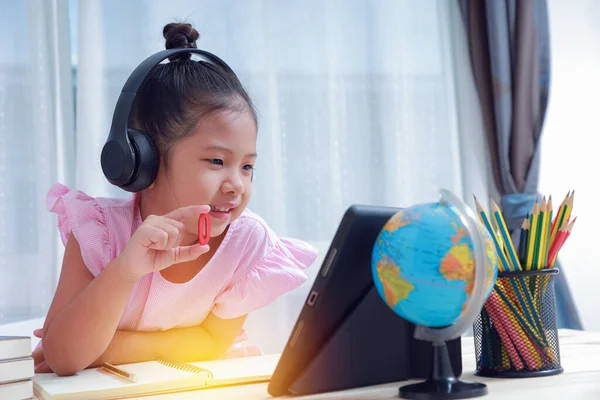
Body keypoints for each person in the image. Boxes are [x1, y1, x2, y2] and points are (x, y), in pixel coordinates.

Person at [32, 22, 318, 376]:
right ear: (143, 158)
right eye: (217, 161)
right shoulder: (100, 232)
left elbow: (215, 343)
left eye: (247, 167)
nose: (236, 185)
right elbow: (62, 357)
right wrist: (124, 271)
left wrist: (107, 346)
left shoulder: (247, 241)